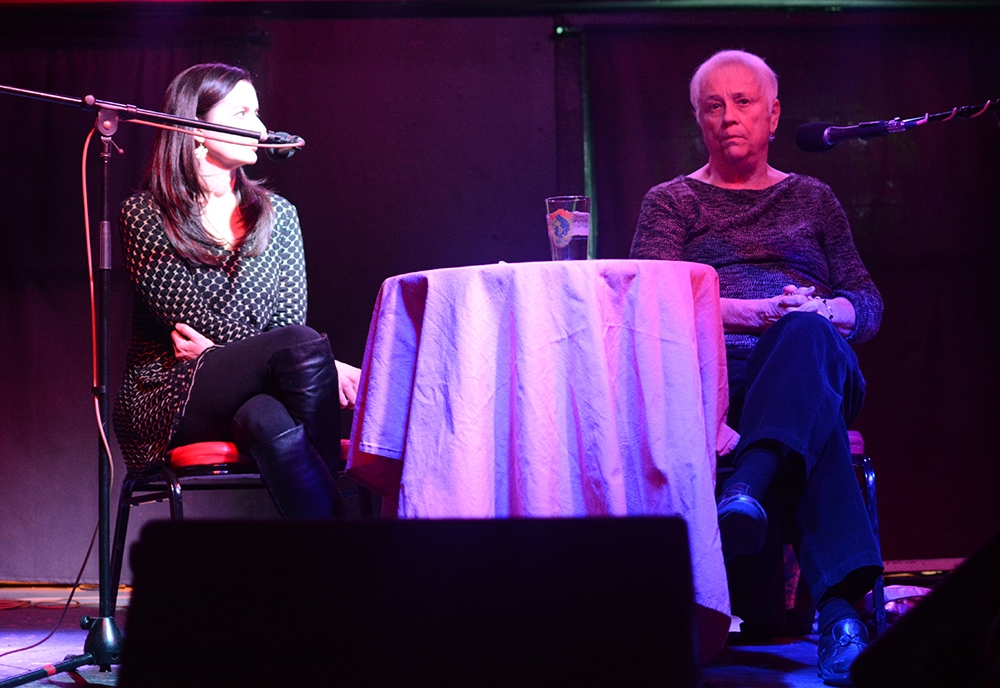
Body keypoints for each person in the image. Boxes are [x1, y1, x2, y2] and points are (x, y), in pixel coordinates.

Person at [629, 50, 883, 686]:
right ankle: (842, 615)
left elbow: (869, 305)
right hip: (715, 382)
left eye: (743, 103)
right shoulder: (671, 203)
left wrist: (821, 311)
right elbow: (650, 305)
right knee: (814, 418)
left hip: (817, 360)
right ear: (698, 119)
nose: (728, 117)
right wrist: (758, 312)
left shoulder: (815, 200)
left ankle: (745, 487)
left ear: (773, 116)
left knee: (805, 336)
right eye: (713, 106)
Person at [114, 63, 360, 519]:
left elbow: (284, 325)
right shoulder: (146, 214)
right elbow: (195, 322)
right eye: (242, 113)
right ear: (196, 128)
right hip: (169, 395)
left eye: (258, 113)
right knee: (305, 346)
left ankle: (329, 563)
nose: (262, 128)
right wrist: (317, 363)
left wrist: (249, 355)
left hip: (252, 392)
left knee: (267, 417)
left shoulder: (279, 216)